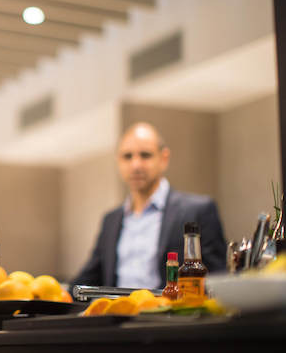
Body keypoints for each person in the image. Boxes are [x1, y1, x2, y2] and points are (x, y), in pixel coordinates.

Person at [71, 122, 226, 290]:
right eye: (127, 156)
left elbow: (218, 278)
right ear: (118, 161)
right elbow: (89, 278)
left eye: (145, 155)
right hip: (116, 313)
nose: (136, 165)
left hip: (169, 313)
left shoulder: (198, 211)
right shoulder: (111, 220)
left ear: (164, 158)